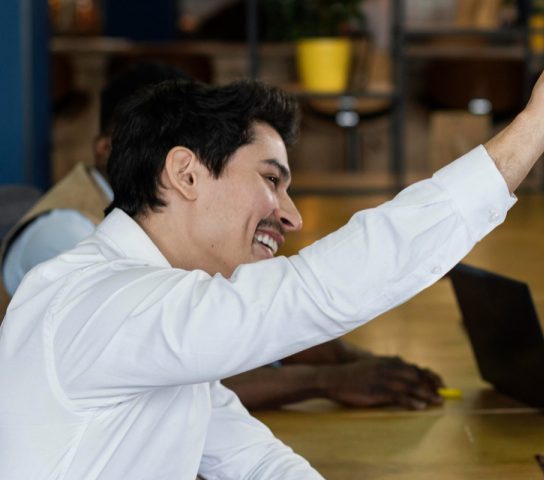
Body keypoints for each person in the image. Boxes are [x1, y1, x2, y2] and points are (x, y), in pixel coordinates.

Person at [0, 0, 544, 478]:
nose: (292, 217)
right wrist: (538, 122)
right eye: (270, 180)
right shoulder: (99, 302)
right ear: (185, 174)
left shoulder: (154, 312)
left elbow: (252, 461)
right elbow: (311, 294)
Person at [0, 61, 444, 412]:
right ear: (181, 169)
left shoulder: (161, 236)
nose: (290, 217)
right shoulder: (68, 240)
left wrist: (344, 358)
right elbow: (199, 350)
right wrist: (326, 379)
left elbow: (239, 324)